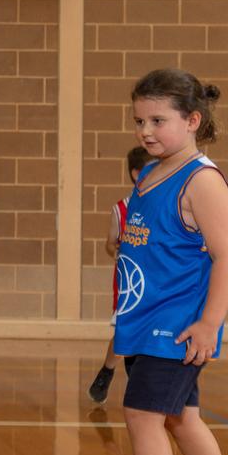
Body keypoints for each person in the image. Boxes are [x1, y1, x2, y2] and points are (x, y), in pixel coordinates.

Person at [97, 68, 228, 455]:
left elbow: (227, 254)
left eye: (158, 120)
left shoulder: (202, 180)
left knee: (142, 415)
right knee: (180, 418)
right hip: (145, 321)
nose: (146, 131)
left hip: (178, 326)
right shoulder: (150, 172)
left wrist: (209, 323)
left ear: (193, 120)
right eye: (139, 120)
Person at [87, 145, 153, 405]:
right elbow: (109, 243)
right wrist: (115, 249)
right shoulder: (122, 209)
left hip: (159, 279)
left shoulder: (164, 203)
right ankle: (108, 370)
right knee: (126, 328)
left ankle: (140, 381)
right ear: (137, 174)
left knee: (151, 330)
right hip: (131, 280)